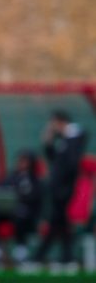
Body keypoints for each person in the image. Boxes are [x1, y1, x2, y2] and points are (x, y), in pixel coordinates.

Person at [33, 110, 88, 268]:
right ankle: (65, 257)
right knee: (59, 223)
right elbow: (54, 160)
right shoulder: (63, 139)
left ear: (60, 121)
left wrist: (63, 184)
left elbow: (70, 164)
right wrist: (48, 143)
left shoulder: (75, 137)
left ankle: (42, 257)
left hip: (65, 188)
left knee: (59, 222)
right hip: (58, 188)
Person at [0, 150, 43, 267]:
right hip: (6, 212)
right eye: (20, 160)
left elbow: (35, 199)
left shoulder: (34, 180)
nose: (21, 163)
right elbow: (0, 191)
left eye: (25, 161)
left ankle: (20, 252)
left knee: (21, 215)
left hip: (24, 214)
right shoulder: (11, 177)